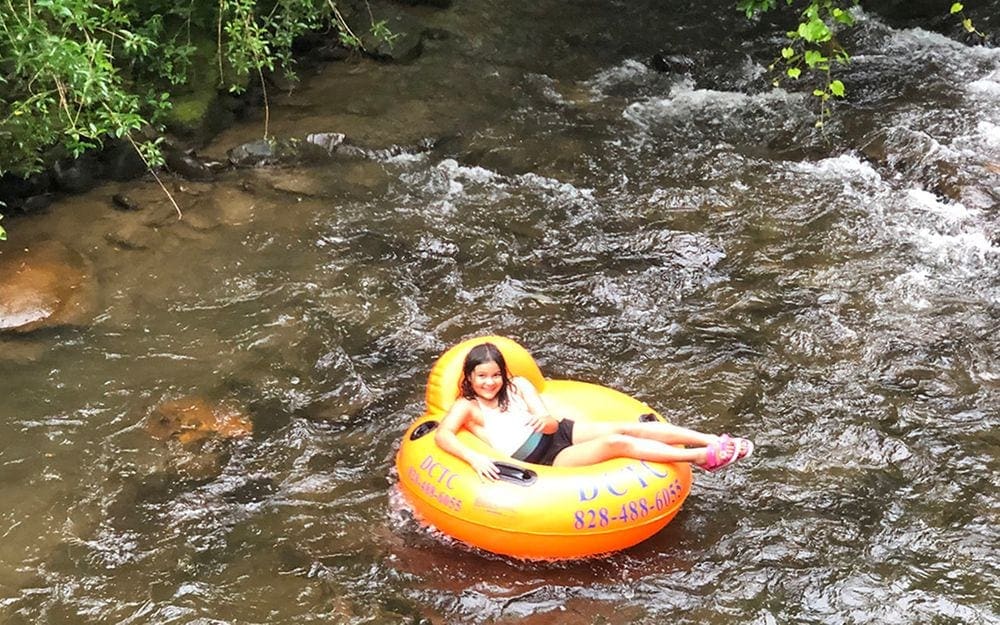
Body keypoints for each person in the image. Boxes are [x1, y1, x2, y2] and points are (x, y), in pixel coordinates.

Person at [435, 341, 754, 481]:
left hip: (559, 432)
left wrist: (544, 421)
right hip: (541, 459)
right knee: (617, 444)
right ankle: (698, 458)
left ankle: (712, 439)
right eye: (482, 377)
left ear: (503, 373)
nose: (490, 382)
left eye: (495, 375)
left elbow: (547, 422)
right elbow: (443, 435)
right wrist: (474, 457)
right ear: (471, 378)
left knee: (627, 427)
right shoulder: (469, 407)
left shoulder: (518, 385)